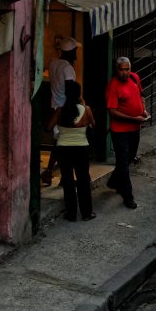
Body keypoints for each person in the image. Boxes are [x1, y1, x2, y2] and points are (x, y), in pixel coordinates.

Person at [48, 80, 96, 221]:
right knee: (83, 180)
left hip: (64, 149)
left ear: (65, 94)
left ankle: (71, 214)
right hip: (81, 149)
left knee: (68, 181)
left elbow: (48, 128)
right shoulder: (86, 110)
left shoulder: (60, 111)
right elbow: (93, 125)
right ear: (79, 94)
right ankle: (86, 213)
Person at [105, 57, 149, 209]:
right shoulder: (113, 86)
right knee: (123, 162)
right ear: (116, 70)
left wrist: (143, 110)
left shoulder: (134, 78)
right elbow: (112, 111)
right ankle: (128, 195)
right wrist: (133, 118)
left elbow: (141, 95)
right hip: (120, 131)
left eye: (127, 69)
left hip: (134, 129)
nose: (124, 72)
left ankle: (113, 182)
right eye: (121, 69)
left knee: (130, 157)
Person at [41, 37, 78, 185]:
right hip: (64, 109)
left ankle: (51, 172)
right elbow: (71, 90)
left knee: (59, 142)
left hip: (55, 105)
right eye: (75, 51)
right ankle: (61, 174)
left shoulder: (53, 63)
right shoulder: (67, 68)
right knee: (66, 143)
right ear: (71, 52)